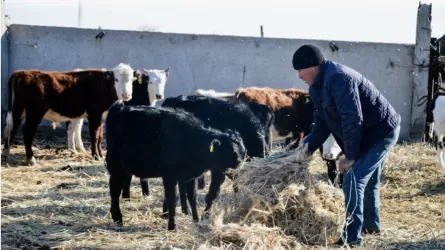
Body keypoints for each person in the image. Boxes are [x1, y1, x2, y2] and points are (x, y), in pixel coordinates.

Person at [292, 44, 401, 247]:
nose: (299, 76)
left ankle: (352, 238)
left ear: (312, 66)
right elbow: (321, 125)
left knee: (352, 178)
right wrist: (303, 151)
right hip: (366, 134)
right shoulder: (316, 87)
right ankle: (372, 226)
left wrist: (350, 156)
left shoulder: (339, 78)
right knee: (366, 181)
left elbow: (352, 119)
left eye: (300, 70)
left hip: (381, 132)